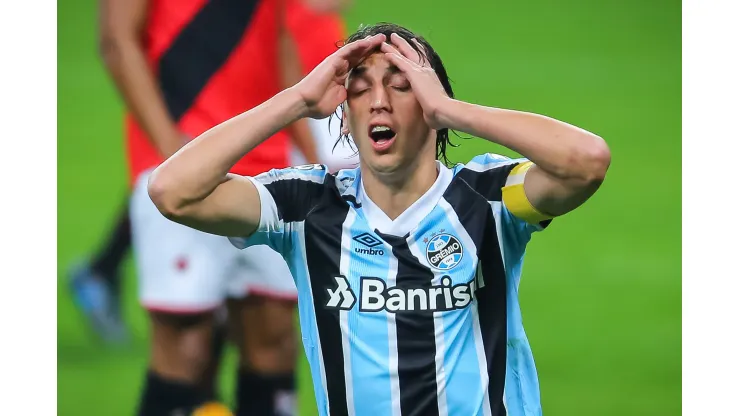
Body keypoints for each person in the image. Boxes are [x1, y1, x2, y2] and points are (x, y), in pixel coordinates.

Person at [147, 22, 612, 416]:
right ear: (345, 117)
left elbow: (587, 161)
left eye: (401, 84)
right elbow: (174, 192)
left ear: (431, 105)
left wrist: (450, 111)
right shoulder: (307, 207)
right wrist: (298, 100)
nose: (378, 100)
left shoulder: (489, 198)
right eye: (360, 87)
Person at [90, 0, 325, 414]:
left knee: (275, 340)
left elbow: (278, 38)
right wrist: (170, 151)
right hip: (182, 168)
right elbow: (116, 40)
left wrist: (310, 153)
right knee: (186, 346)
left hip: (267, 166)